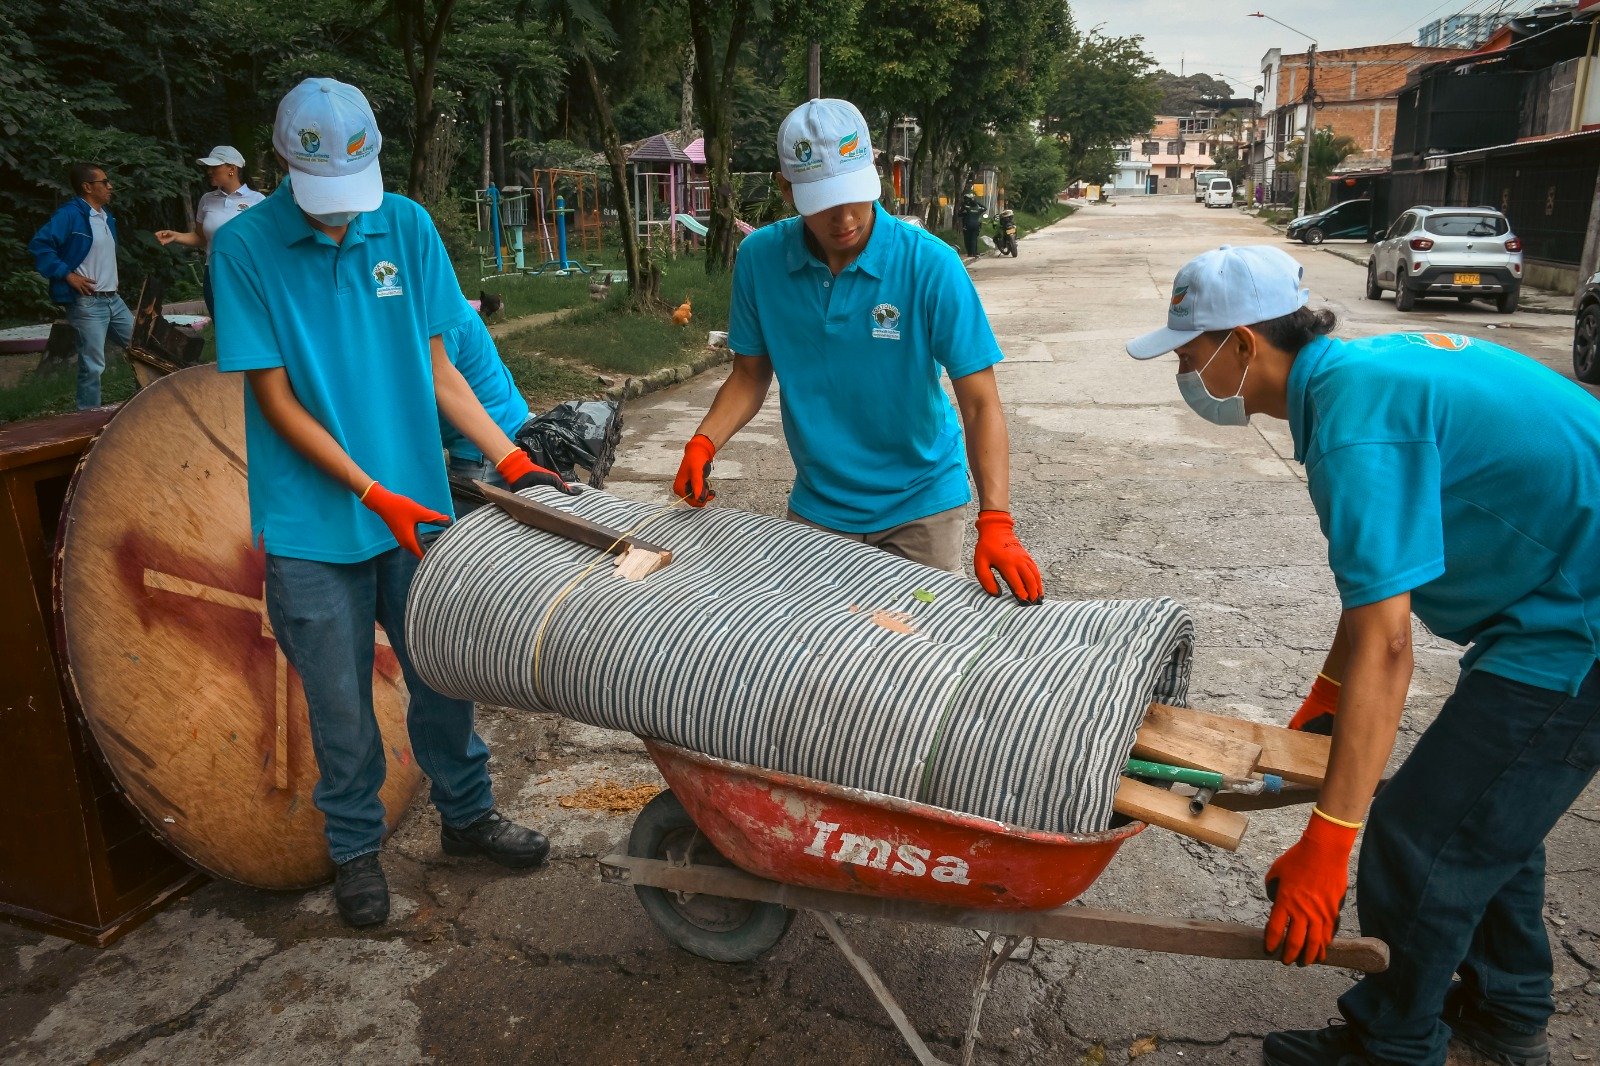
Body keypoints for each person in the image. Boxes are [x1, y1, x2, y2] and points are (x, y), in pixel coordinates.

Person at [1125, 244, 1600, 1066]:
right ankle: (1508, 1010)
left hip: (1577, 625)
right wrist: (1326, 693)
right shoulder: (1354, 378)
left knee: (1418, 835)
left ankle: (1393, 1045)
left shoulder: (1355, 427)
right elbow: (1379, 581)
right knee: (1484, 814)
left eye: (1189, 352)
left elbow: (1388, 643)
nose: (1184, 371)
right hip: (1558, 598)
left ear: (1244, 343)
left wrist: (1329, 840)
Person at [209, 77, 575, 929]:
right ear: (283, 165)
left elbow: (442, 372)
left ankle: (467, 816)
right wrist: (374, 492)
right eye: (322, 191)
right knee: (341, 706)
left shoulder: (405, 226)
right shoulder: (244, 248)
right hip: (313, 527)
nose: (341, 211)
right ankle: (355, 851)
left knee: (443, 673)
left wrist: (512, 459)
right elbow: (276, 402)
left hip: (419, 511)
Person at [672, 98, 1042, 605]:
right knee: (817, 645)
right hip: (819, 506)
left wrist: (996, 519)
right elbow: (750, 375)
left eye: (854, 195)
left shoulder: (930, 266)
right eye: (824, 202)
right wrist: (703, 442)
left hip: (921, 505)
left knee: (912, 642)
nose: (844, 217)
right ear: (787, 189)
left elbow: (980, 403)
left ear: (875, 176)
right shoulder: (760, 260)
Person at [28, 162, 133, 409]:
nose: (110, 186)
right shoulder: (69, 215)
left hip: (114, 300)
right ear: (87, 187)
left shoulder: (106, 216)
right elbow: (40, 245)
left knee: (141, 348)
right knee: (93, 366)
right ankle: (88, 419)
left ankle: (150, 405)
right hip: (87, 302)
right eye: (104, 182)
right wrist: (67, 275)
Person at [439, 307, 531, 512]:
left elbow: (430, 389)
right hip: (505, 422)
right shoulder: (447, 305)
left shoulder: (441, 321)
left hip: (484, 448)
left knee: (472, 528)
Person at [155, 146, 265, 313]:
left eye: (214, 166)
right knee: (220, 323)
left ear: (232, 168)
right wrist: (175, 236)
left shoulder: (258, 200)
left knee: (248, 322)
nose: (209, 171)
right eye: (208, 167)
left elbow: (265, 243)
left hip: (246, 274)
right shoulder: (207, 199)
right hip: (214, 273)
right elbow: (201, 238)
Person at [957, 184, 985, 257]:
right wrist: (976, 202)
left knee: (967, 239)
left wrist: (963, 209)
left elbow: (959, 214)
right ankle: (974, 253)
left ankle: (970, 253)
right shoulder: (978, 209)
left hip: (967, 225)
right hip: (976, 225)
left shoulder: (967, 208)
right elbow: (984, 208)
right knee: (974, 239)